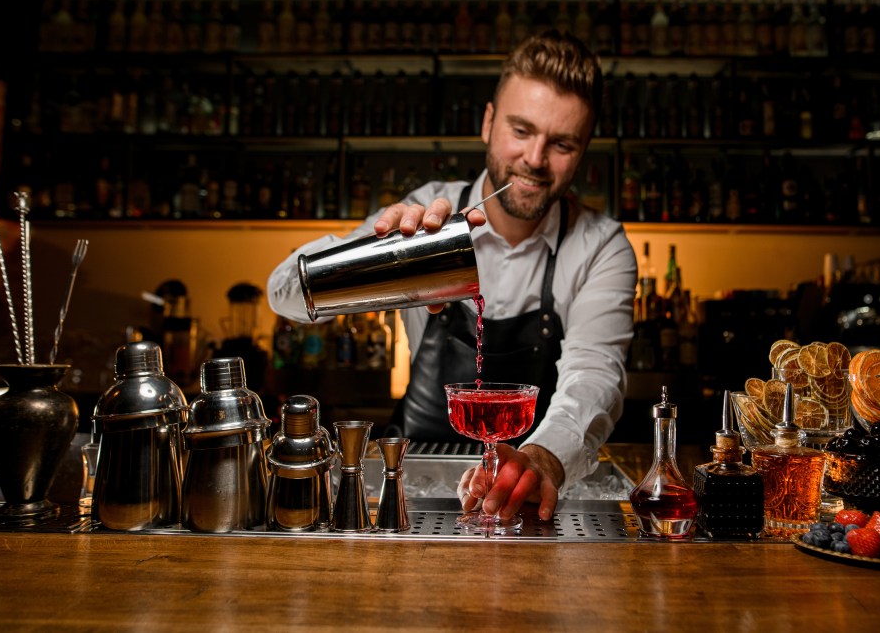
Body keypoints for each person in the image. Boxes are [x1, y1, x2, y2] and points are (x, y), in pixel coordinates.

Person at [267, 30, 637, 523]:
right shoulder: (424, 215)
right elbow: (282, 294)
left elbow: (594, 374)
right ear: (488, 122)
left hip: (529, 494)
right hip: (413, 480)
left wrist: (543, 458)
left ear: (585, 149)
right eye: (521, 130)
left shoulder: (600, 245)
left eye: (562, 143)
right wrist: (379, 256)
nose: (534, 159)